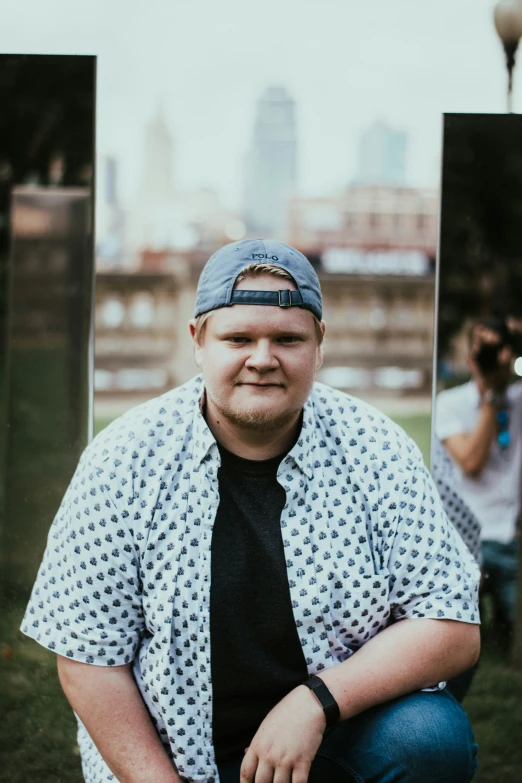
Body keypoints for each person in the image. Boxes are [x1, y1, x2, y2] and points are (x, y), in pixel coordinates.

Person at [22, 239, 480, 783]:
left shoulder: (376, 448)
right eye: (238, 338)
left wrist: (314, 704)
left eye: (287, 339)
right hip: (177, 752)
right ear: (198, 341)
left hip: (330, 738)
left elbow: (451, 624)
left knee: (430, 740)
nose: (262, 359)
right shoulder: (123, 460)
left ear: (319, 344)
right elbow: (87, 655)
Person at [435, 318, 522, 634]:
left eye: (498, 347)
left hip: (511, 534)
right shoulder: (450, 402)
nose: (491, 355)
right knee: (459, 626)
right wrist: (492, 396)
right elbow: (471, 461)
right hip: (467, 538)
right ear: (470, 358)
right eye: (483, 348)